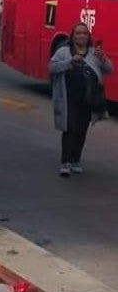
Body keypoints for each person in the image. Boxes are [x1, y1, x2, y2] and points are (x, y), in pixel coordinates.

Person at [49, 23, 113, 177]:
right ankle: (65, 163)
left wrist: (103, 58)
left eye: (85, 33)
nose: (82, 36)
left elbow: (110, 69)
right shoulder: (64, 52)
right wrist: (70, 62)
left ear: (88, 36)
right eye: (78, 33)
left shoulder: (93, 53)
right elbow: (52, 67)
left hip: (87, 99)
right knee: (69, 129)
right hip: (68, 98)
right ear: (73, 36)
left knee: (81, 131)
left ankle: (75, 160)